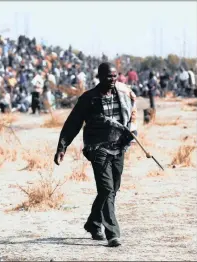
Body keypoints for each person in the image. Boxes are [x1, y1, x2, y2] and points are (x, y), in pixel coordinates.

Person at [53, 62, 137, 247]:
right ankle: (113, 233)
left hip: (118, 148)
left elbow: (131, 117)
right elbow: (73, 122)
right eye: (109, 76)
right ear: (99, 77)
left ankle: (93, 223)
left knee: (113, 189)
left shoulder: (122, 96)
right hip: (97, 148)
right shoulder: (89, 98)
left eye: (115, 76)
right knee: (106, 188)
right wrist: (62, 146)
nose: (112, 80)